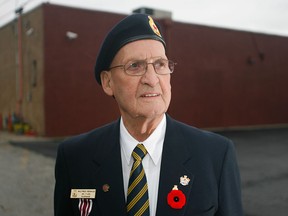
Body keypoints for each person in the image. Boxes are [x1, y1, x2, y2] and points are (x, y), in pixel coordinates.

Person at [54, 13, 243, 216]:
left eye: (160, 64)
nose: (152, 79)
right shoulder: (75, 158)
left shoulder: (215, 156)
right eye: (135, 66)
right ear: (108, 82)